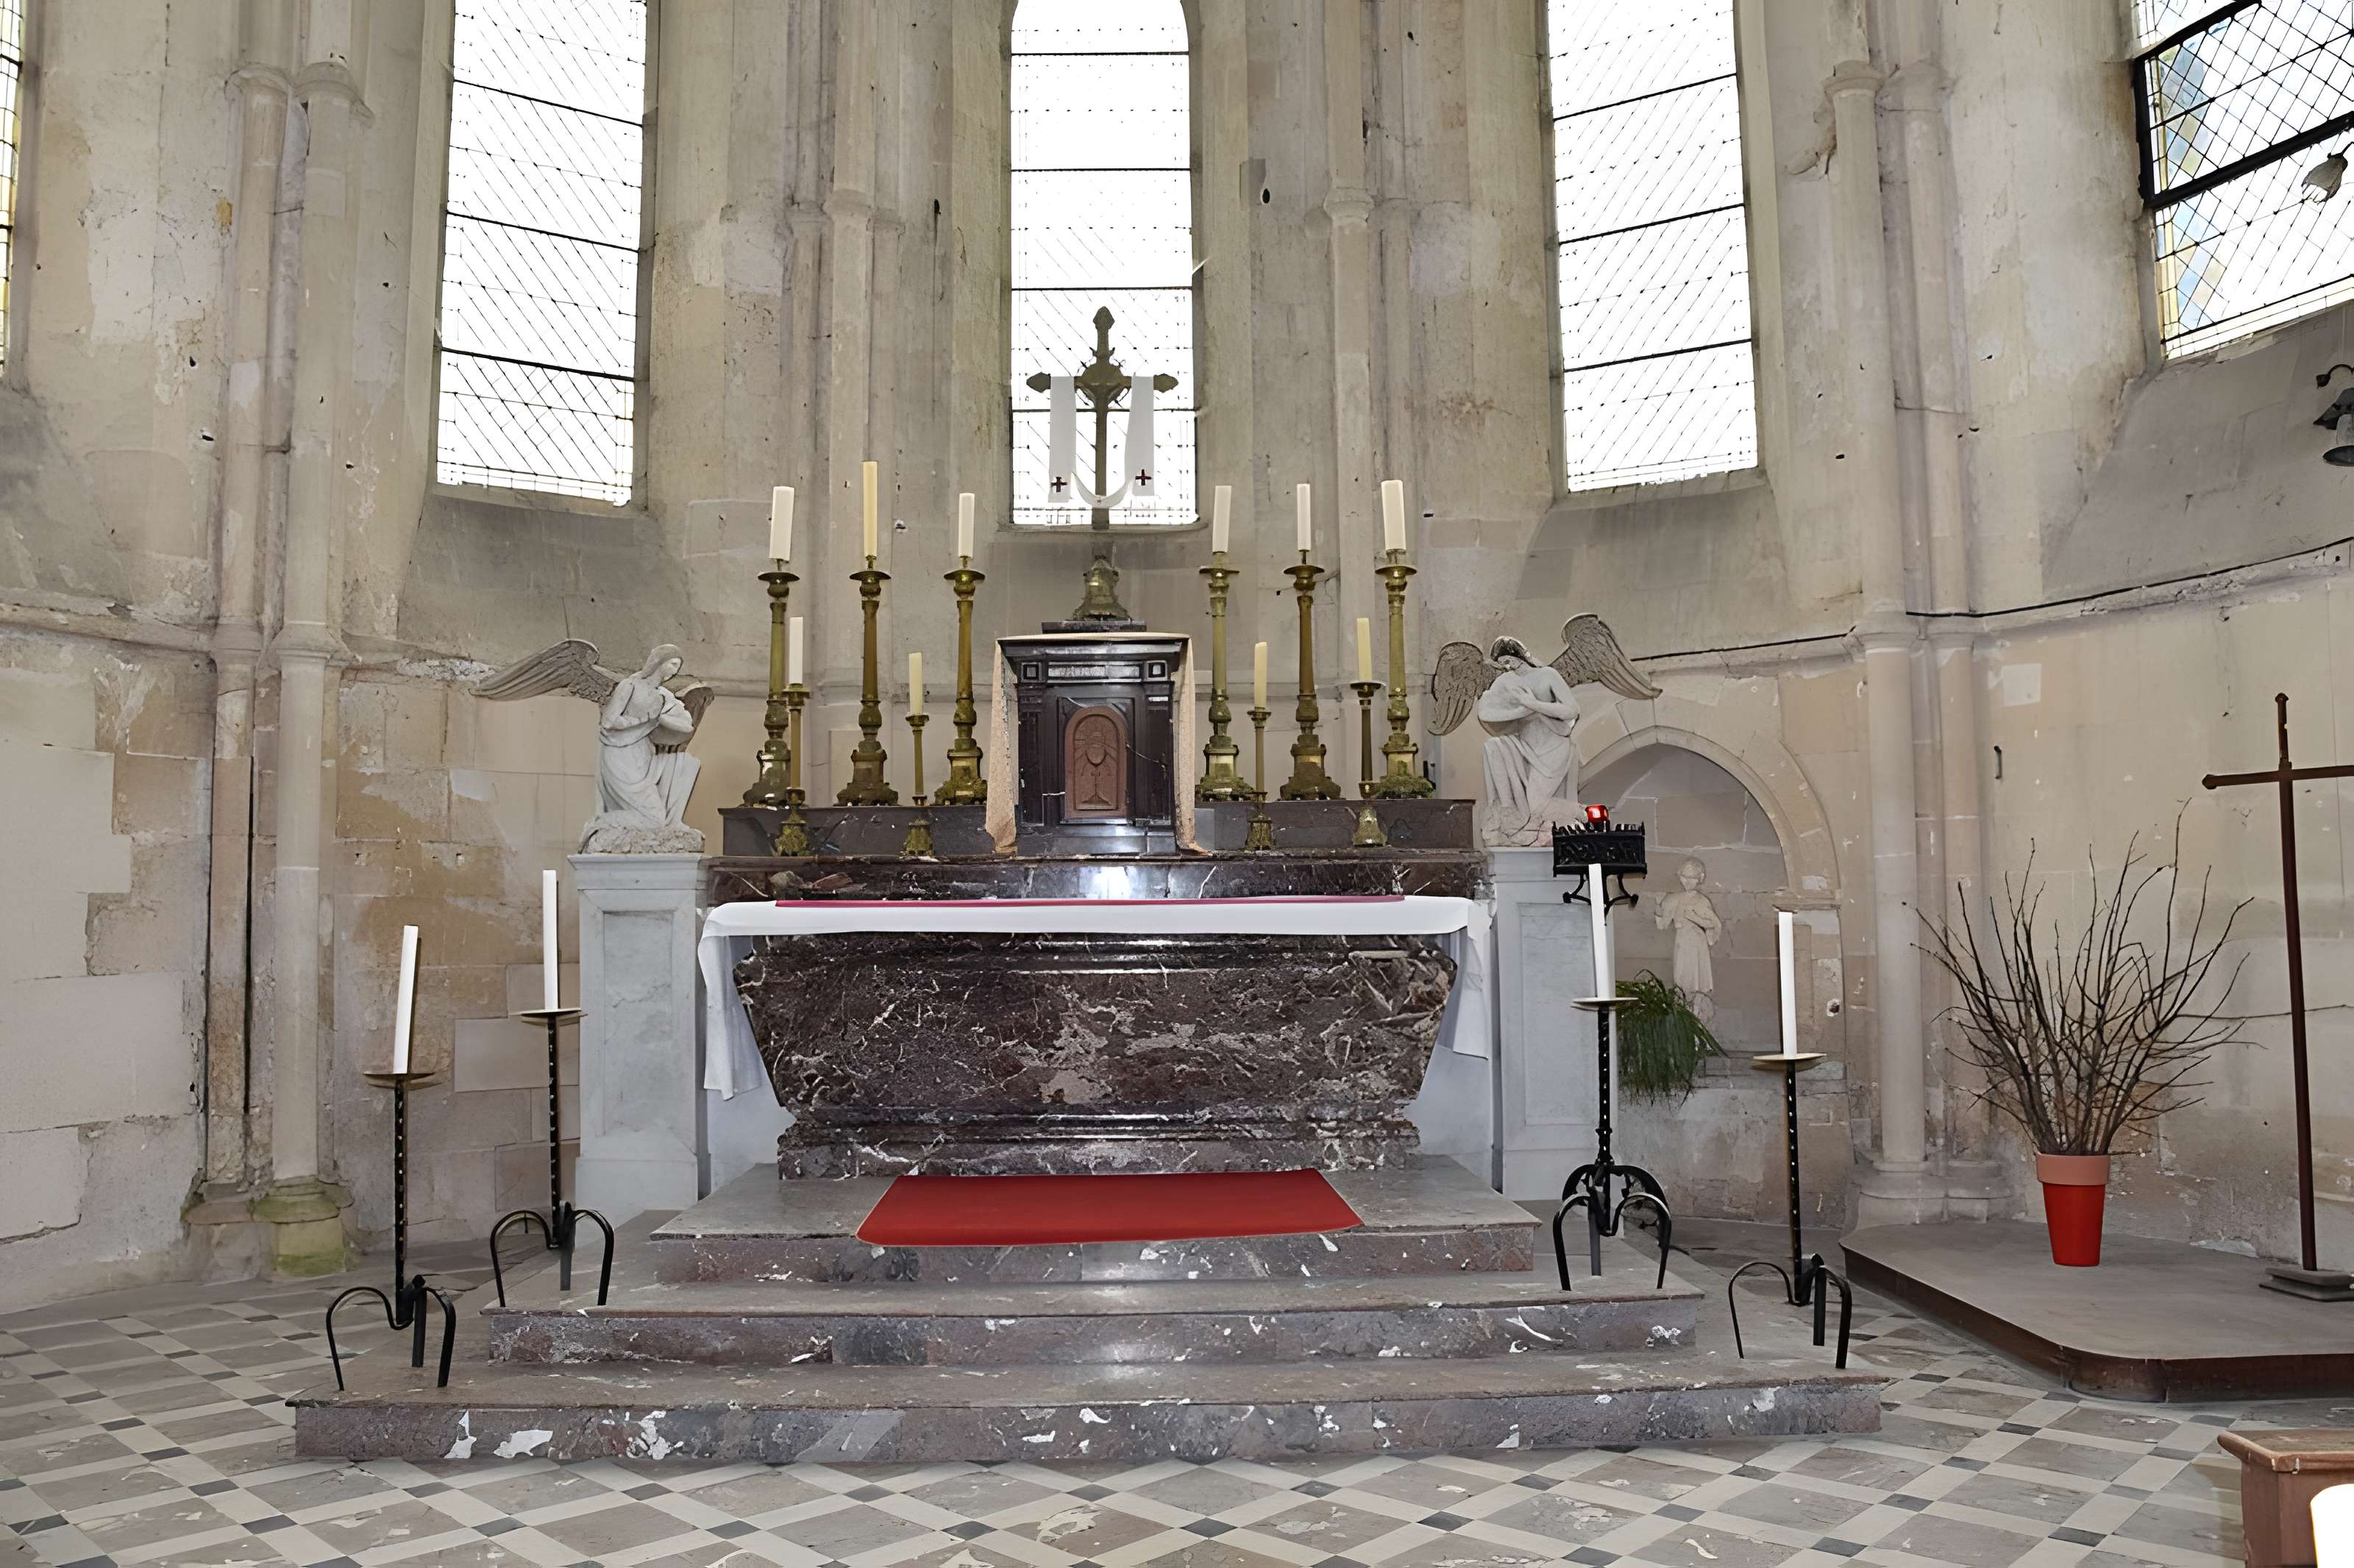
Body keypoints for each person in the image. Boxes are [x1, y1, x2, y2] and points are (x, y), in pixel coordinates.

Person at [583, 644, 701, 847]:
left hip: (643, 753)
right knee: (653, 817)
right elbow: (609, 722)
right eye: (672, 664)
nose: (675, 671)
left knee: (687, 766)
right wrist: (643, 720)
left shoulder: (663, 695)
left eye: (677, 667)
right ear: (659, 662)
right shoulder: (630, 686)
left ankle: (611, 825)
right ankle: (601, 823)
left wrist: (662, 720)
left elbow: (687, 726)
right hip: (620, 753)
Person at [1476, 637, 1585, 846]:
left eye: (1508, 659)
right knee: (1493, 746)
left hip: (1553, 744)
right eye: (1503, 663)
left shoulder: (1547, 675)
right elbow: (1486, 711)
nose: (1507, 666)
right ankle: (1508, 811)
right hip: (1525, 745)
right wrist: (1520, 710)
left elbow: (1571, 710)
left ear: (1519, 654)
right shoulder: (1506, 681)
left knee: (1536, 805)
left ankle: (1582, 813)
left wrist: (1534, 704)